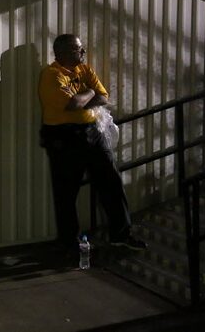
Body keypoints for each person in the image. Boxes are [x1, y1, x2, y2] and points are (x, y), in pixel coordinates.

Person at [37, 34, 146, 253]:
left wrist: (88, 96)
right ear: (64, 52)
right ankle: (70, 243)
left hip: (91, 132)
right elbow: (74, 104)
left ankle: (121, 234)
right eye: (79, 49)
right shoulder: (51, 75)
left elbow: (104, 97)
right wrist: (89, 91)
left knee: (111, 182)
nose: (83, 53)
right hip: (63, 137)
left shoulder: (84, 70)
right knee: (66, 192)